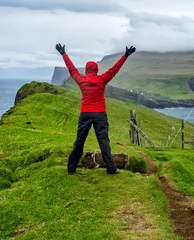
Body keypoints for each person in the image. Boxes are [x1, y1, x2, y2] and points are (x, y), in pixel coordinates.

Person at [55, 43, 136, 174]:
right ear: (96, 70)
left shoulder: (81, 80)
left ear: (86, 69)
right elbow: (114, 69)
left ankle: (71, 168)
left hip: (85, 113)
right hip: (100, 114)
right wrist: (125, 55)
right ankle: (111, 168)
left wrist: (63, 53)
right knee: (104, 141)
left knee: (79, 141)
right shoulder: (102, 79)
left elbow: (72, 69)